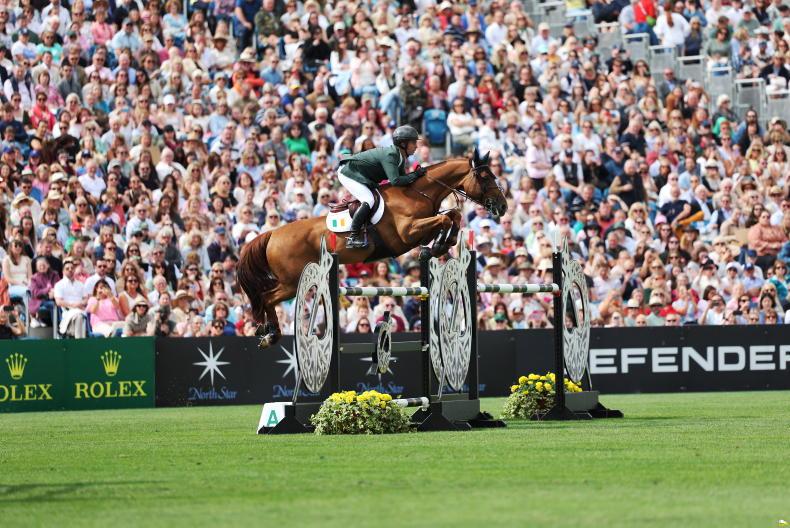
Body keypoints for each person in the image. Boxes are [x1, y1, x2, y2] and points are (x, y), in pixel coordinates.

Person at [335, 125, 427, 248]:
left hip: (360, 174)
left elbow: (403, 181)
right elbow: (395, 181)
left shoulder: (400, 157)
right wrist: (415, 175)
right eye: (413, 143)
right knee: (369, 200)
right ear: (403, 144)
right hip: (348, 172)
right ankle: (353, 237)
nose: (416, 146)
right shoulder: (391, 155)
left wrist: (416, 176)